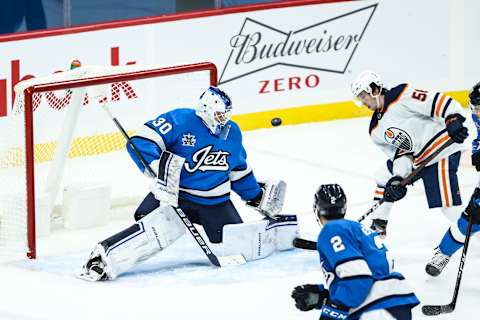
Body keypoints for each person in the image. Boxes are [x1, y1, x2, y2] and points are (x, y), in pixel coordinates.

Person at [78, 86, 298, 281]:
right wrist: (160, 169)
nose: (223, 120)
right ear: (206, 110)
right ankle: (101, 259)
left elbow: (238, 168)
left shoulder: (232, 133)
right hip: (175, 197)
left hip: (214, 203)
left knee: (238, 248)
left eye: (226, 115)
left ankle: (280, 232)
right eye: (219, 115)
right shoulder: (180, 120)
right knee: (153, 231)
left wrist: (254, 195)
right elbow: (140, 142)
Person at [350, 70, 469, 238]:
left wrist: (453, 118)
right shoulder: (375, 129)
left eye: (363, 96)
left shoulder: (400, 95)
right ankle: (378, 225)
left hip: (442, 150)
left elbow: (436, 101)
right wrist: (398, 177)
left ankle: (475, 225)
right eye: (359, 98)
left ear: (375, 90)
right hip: (420, 160)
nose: (362, 102)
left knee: (450, 210)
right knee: (384, 176)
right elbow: (402, 153)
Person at [291, 184, 419, 320]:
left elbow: (358, 279)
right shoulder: (358, 230)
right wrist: (324, 298)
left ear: (316, 210)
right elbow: (368, 281)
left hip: (375, 310)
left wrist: (331, 313)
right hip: (390, 306)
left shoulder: (332, 230)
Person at [424, 82, 480, 276]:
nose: (477, 112)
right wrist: (478, 151)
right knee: (470, 220)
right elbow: (479, 138)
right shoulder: (477, 116)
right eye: (476, 108)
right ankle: (443, 253)